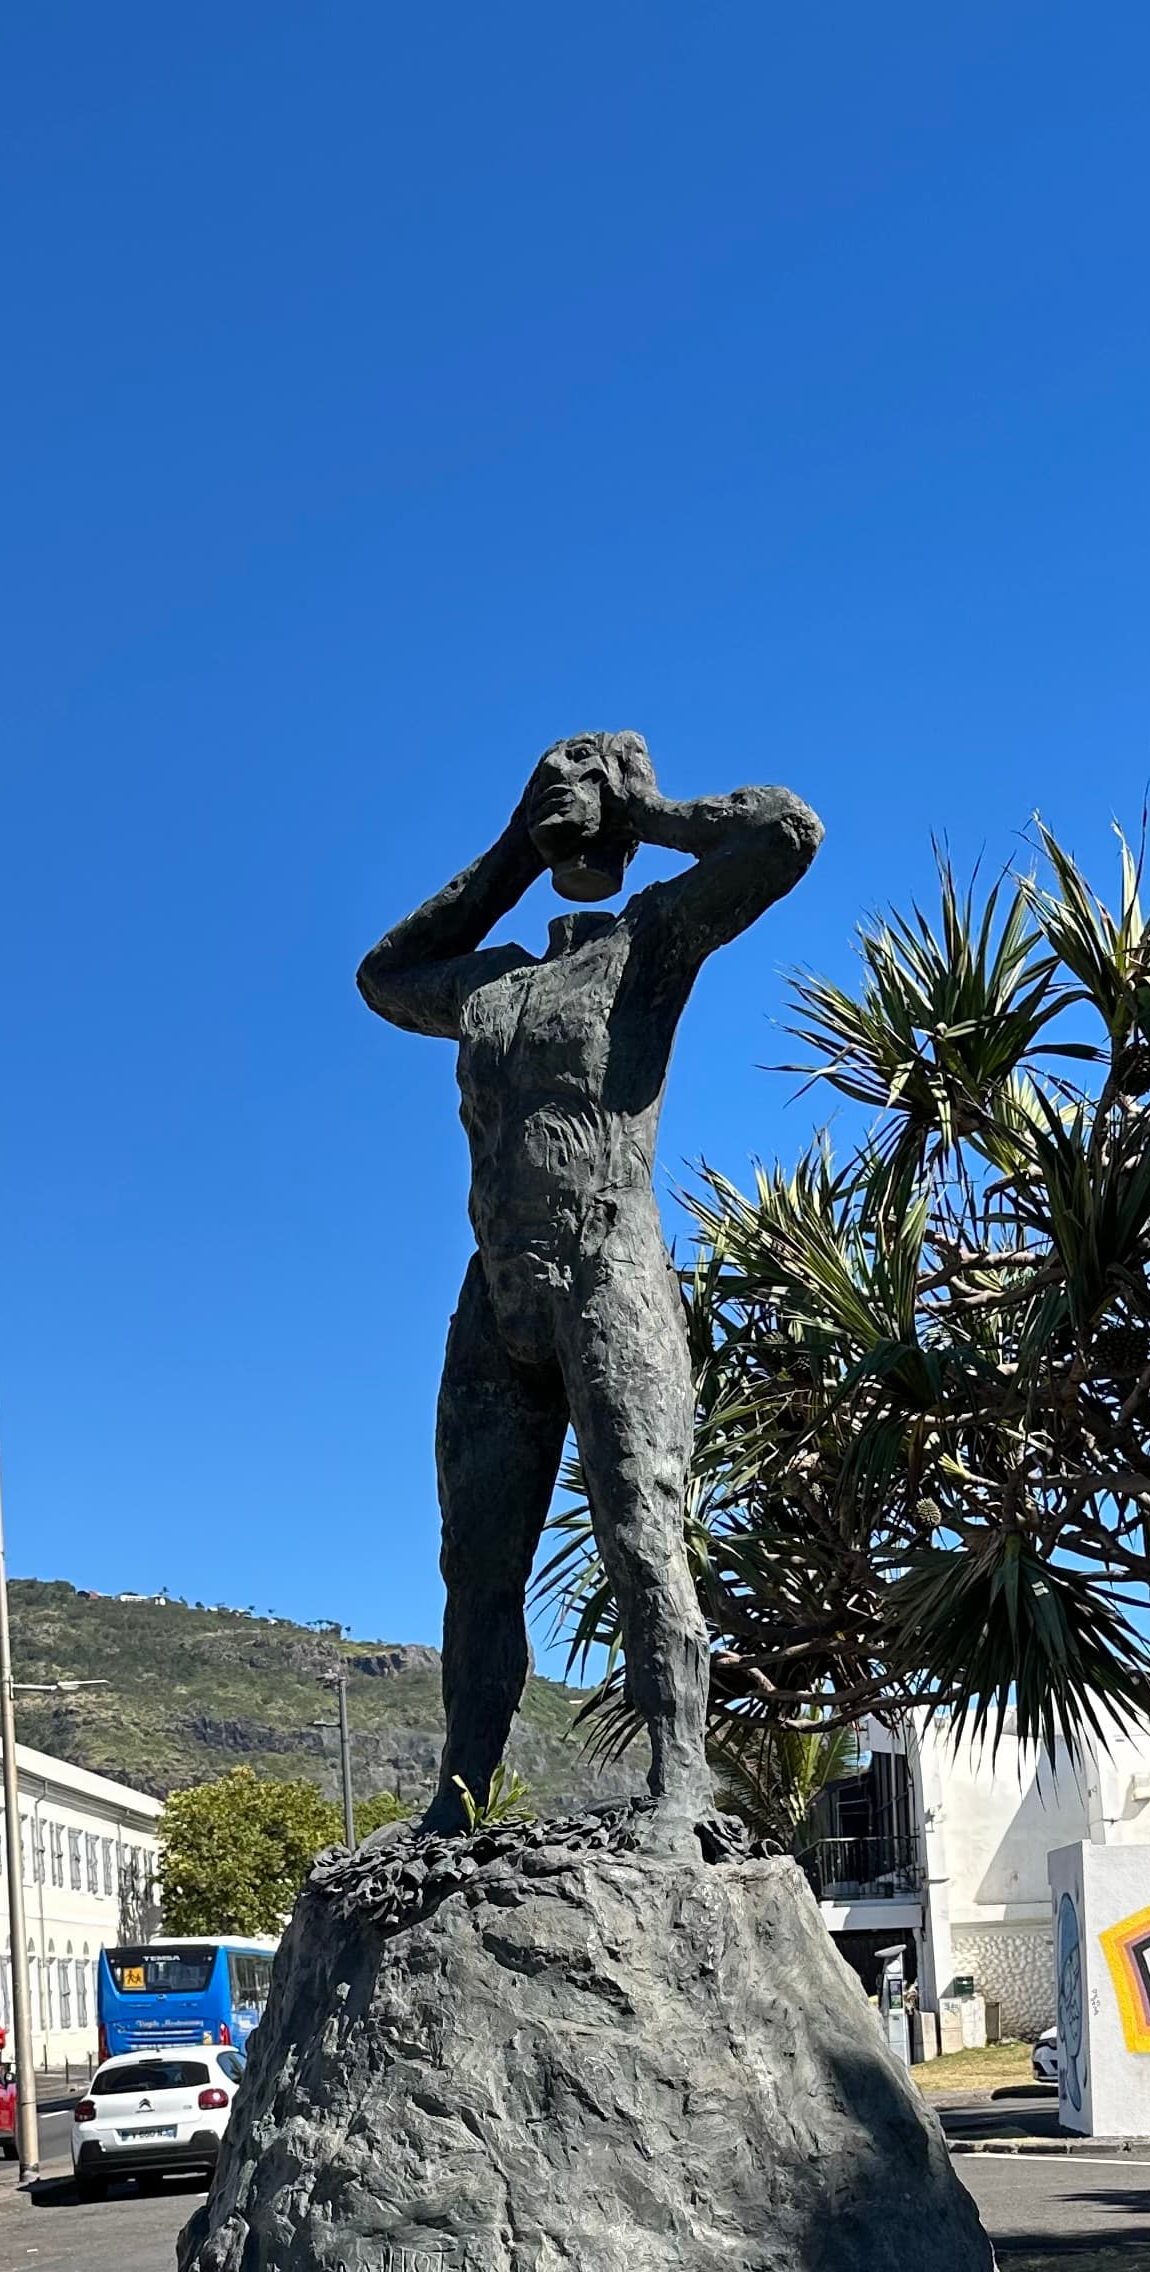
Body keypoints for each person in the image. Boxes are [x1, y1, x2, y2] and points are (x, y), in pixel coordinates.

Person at [358, 733, 820, 1847]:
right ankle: (459, 1799)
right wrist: (517, 847)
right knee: (475, 1561)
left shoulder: (650, 942)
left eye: (581, 776)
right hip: (499, 1289)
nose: (564, 790)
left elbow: (785, 832)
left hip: (609, 1261)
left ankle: (678, 1780)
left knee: (641, 1529)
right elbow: (382, 978)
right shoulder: (489, 981)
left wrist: (643, 810)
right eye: (548, 776)